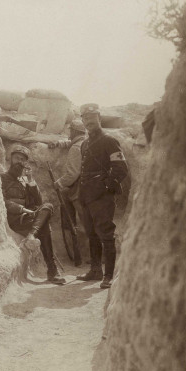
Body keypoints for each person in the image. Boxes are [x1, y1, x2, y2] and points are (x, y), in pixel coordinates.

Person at [76, 107, 128, 289]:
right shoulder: (84, 144)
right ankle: (95, 271)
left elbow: (121, 168)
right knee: (91, 233)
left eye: (91, 117)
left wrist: (105, 186)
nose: (88, 121)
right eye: (85, 118)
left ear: (99, 117)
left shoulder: (109, 140)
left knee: (106, 234)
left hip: (102, 197)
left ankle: (109, 276)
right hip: (87, 195)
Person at [1, 144, 66, 285]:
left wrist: (31, 181)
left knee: (48, 206)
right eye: (17, 158)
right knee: (45, 227)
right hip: (15, 219)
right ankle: (52, 271)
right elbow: (2, 201)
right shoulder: (2, 178)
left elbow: (38, 202)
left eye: (23, 160)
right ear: (10, 160)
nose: (20, 162)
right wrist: (22, 209)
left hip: (29, 220)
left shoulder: (25, 181)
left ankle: (31, 235)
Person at [48, 120, 87, 265]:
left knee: (86, 225)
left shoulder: (75, 149)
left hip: (80, 192)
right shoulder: (85, 143)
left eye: (71, 131)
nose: (69, 133)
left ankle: (90, 258)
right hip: (92, 192)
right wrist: (59, 143)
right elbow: (71, 142)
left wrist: (58, 183)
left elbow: (72, 174)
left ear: (75, 132)